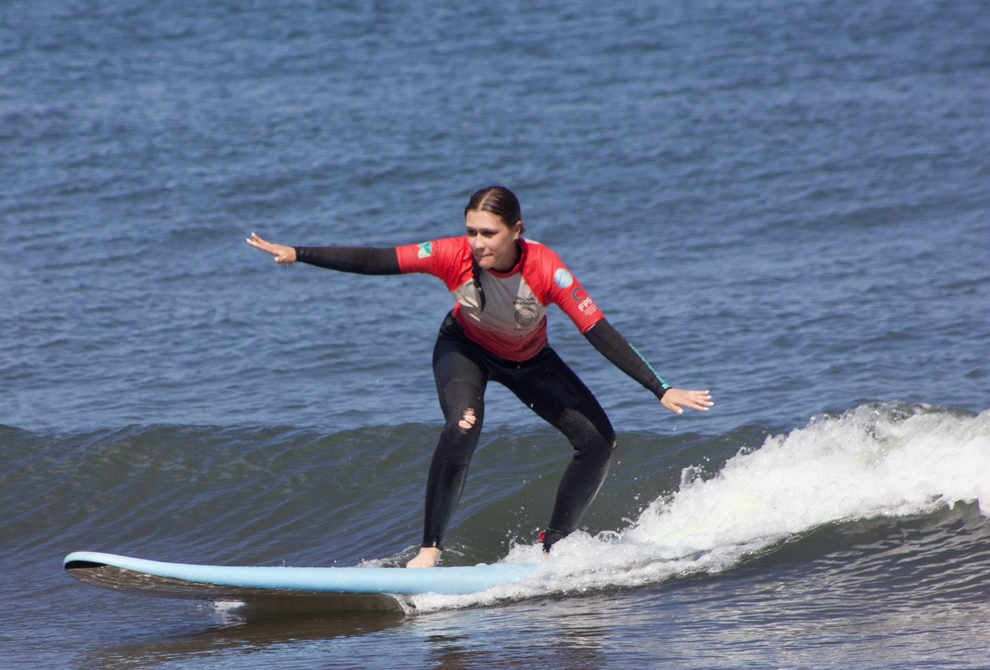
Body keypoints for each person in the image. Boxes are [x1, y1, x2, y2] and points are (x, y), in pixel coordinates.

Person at [247, 186, 712, 567]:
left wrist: (660, 387)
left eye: (488, 233)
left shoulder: (547, 270)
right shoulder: (451, 255)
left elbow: (598, 330)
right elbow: (377, 259)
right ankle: (430, 547)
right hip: (464, 349)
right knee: (463, 423)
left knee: (598, 441)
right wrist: (299, 253)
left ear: (516, 231)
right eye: (471, 231)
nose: (477, 242)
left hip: (529, 359)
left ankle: (555, 544)